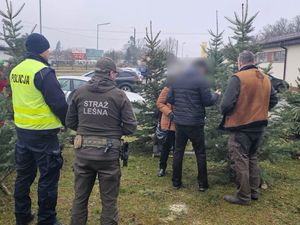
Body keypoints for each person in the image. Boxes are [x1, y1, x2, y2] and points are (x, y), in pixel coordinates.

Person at [66, 57, 137, 225]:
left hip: (83, 154)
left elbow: (70, 122)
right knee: (109, 202)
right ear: (111, 73)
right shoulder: (119, 95)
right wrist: (111, 134)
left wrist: (86, 132)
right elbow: (130, 127)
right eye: (115, 74)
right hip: (108, 156)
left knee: (79, 199)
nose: (116, 77)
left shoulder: (79, 92)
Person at [10, 33, 67, 225]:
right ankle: (47, 219)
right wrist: (69, 122)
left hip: (22, 133)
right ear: (42, 49)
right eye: (48, 49)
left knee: (23, 177)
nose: (49, 52)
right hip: (44, 135)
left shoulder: (16, 71)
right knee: (48, 179)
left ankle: (22, 215)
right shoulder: (43, 72)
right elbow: (59, 103)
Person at [220, 50, 278, 205]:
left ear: (240, 62)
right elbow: (274, 99)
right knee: (252, 158)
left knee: (240, 160)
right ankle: (254, 192)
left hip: (241, 127)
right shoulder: (265, 78)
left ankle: (243, 197)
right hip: (260, 127)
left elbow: (225, 105)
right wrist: (260, 111)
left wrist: (229, 112)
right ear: (254, 61)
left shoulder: (238, 78)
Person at [167, 59, 220, 191]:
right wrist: (217, 95)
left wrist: (180, 105)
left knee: (178, 152)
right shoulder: (201, 80)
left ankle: (176, 182)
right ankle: (202, 184)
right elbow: (207, 101)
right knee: (200, 153)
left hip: (180, 122)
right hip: (195, 123)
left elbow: (169, 98)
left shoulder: (177, 79)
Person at [156, 77, 176, 177]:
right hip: (169, 123)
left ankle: (176, 170)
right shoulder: (168, 88)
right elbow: (159, 103)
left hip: (180, 123)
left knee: (178, 148)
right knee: (166, 147)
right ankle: (162, 167)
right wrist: (169, 112)